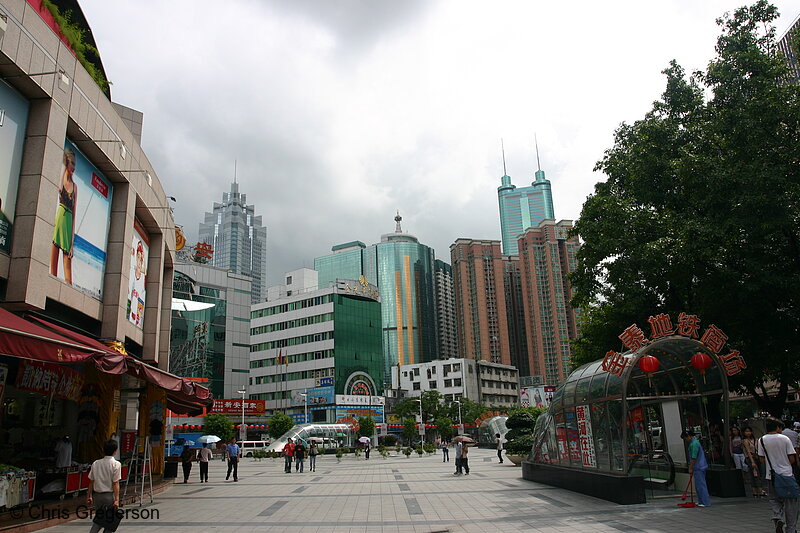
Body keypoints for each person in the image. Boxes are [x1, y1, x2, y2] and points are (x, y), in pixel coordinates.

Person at [759, 417, 799, 533]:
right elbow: (791, 458)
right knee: (791, 502)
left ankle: (777, 516)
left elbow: (761, 459)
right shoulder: (784, 439)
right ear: (777, 427)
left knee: (774, 499)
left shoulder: (762, 440)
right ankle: (791, 528)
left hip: (771, 476)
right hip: (786, 474)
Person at [50, 149, 77, 285]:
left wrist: (72, 243)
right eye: (71, 162)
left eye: (74, 163)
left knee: (68, 277)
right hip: (59, 219)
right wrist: (63, 171)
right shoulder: (62, 181)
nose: (73, 166)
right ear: (66, 163)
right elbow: (59, 189)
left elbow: (74, 216)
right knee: (52, 270)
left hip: (68, 222)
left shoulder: (75, 187)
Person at [87, 439, 121, 533]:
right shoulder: (116, 464)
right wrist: (117, 499)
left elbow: (91, 481)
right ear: (115, 451)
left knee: (100, 518)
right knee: (109, 521)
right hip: (108, 496)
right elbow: (115, 483)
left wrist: (89, 495)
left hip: (97, 496)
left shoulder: (96, 463)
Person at [681, 429, 710, 507]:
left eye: (685, 438)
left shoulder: (694, 444)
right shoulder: (695, 442)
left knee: (701, 485)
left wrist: (691, 467)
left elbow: (694, 457)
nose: (685, 440)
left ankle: (705, 502)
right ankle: (701, 501)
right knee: (698, 485)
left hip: (698, 466)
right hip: (699, 466)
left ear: (689, 436)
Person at [743, 426, 767, 498]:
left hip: (757, 458)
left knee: (756, 474)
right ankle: (758, 490)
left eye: (749, 431)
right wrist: (752, 461)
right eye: (746, 431)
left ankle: (756, 490)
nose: (748, 433)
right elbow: (748, 451)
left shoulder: (756, 440)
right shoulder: (745, 441)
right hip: (750, 459)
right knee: (755, 474)